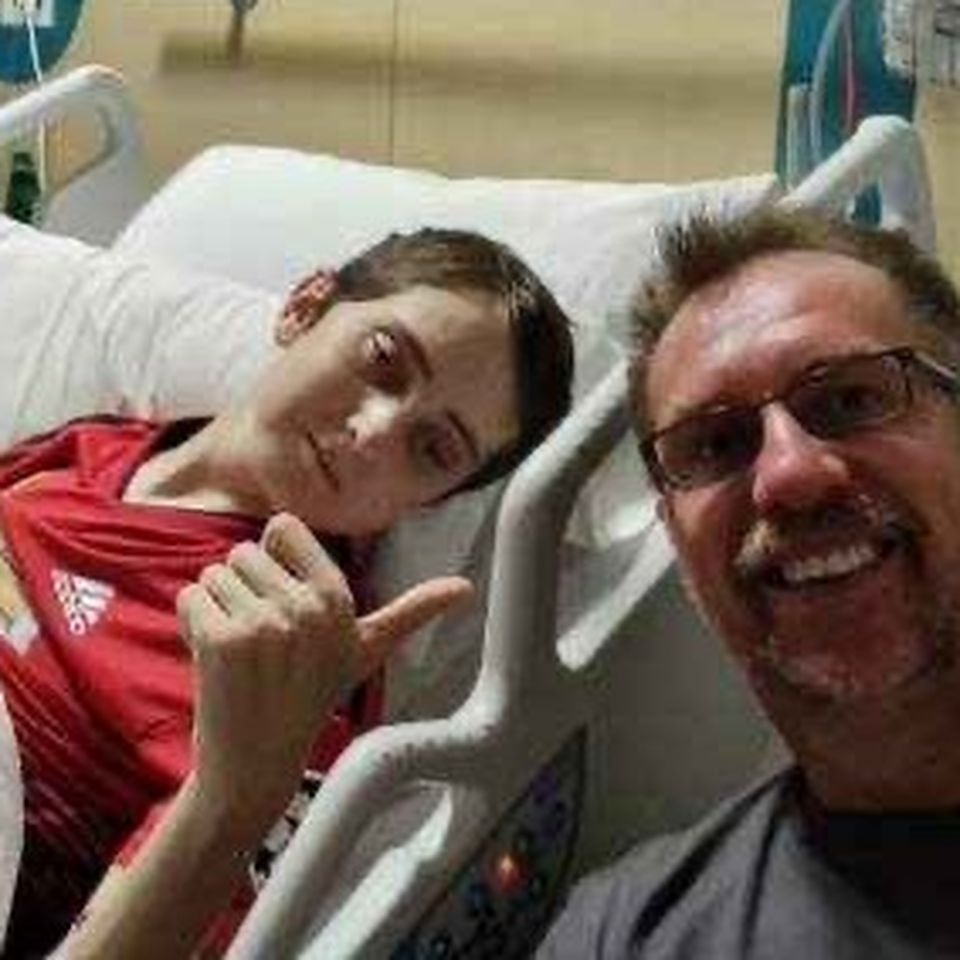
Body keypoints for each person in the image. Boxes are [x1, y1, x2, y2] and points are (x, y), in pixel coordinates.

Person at [0, 226, 574, 958]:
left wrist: (236, 796)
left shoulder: (285, 661)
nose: (373, 431)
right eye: (383, 362)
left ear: (429, 501)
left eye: (432, 449)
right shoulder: (93, 449)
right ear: (305, 308)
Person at [537, 207, 960, 959]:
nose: (788, 473)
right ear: (677, 541)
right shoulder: (624, 936)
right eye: (716, 444)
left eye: (850, 399)